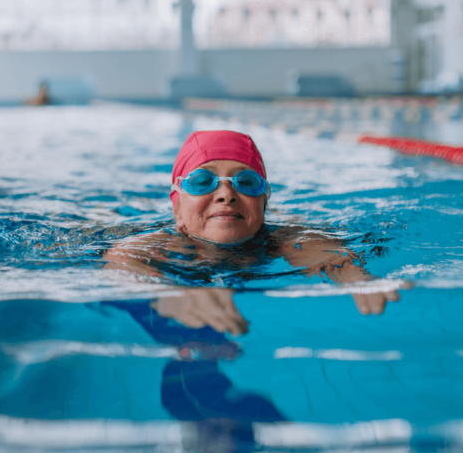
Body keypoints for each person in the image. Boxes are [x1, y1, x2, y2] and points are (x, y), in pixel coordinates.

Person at [104, 130, 403, 330]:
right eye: (201, 182)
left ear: (263, 204)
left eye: (245, 183)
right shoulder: (160, 244)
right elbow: (121, 260)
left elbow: (318, 249)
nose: (225, 194)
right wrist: (161, 293)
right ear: (178, 210)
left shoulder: (282, 239)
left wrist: (352, 274)